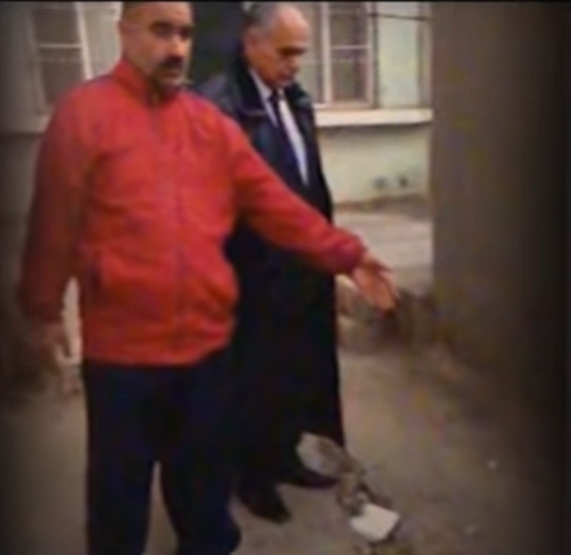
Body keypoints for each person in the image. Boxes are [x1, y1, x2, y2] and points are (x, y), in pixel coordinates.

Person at [17, 3, 397, 555]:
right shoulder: (85, 114)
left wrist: (347, 255)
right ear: (125, 32)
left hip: (206, 351)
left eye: (185, 34)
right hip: (123, 356)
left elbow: (275, 204)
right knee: (119, 497)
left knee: (204, 495)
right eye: (161, 31)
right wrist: (42, 309)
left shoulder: (209, 125)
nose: (176, 47)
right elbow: (54, 221)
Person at [195, 2, 351, 524]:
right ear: (252, 43)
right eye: (286, 52)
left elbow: (306, 182)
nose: (295, 64)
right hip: (253, 271)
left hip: (301, 267)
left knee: (297, 370)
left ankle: (284, 457)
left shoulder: (294, 99)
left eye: (300, 54)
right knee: (254, 377)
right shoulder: (218, 108)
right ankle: (253, 478)